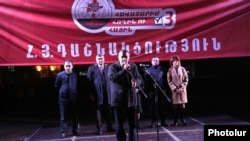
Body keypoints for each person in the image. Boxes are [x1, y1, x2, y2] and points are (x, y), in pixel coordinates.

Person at [108, 49, 144, 141]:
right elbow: (113, 78)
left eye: (126, 57)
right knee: (119, 125)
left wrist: (137, 83)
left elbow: (139, 79)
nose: (124, 58)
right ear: (118, 57)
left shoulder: (133, 66)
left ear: (129, 58)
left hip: (131, 100)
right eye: (122, 57)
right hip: (118, 101)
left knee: (132, 125)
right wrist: (124, 70)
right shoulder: (113, 67)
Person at [87, 54, 115, 135]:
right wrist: (90, 94)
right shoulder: (91, 68)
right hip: (97, 93)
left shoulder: (108, 68)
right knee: (98, 112)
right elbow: (88, 82)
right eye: (99, 59)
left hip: (108, 93)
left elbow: (112, 79)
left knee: (108, 111)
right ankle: (99, 128)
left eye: (102, 58)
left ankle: (109, 126)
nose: (100, 60)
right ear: (96, 60)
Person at [54, 59, 80, 138]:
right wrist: (62, 92)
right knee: (63, 117)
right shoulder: (60, 75)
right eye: (66, 66)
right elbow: (56, 86)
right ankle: (63, 132)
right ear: (64, 66)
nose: (68, 67)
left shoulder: (75, 75)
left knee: (75, 116)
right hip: (63, 100)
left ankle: (75, 131)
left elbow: (77, 85)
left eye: (69, 66)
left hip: (73, 99)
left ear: (72, 66)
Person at [144, 56, 169, 127]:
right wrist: (149, 91)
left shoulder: (163, 69)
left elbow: (165, 80)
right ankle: (153, 122)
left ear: (159, 61)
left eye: (157, 60)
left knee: (162, 107)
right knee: (153, 107)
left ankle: (163, 121)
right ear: (151, 62)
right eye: (154, 60)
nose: (155, 61)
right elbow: (146, 82)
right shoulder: (148, 70)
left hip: (161, 91)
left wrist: (165, 89)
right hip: (152, 92)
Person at [167, 55, 189, 126]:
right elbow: (169, 81)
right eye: (173, 61)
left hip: (182, 91)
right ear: (171, 62)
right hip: (175, 91)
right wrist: (175, 88)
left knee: (182, 106)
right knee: (175, 107)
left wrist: (182, 87)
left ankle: (183, 120)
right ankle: (175, 121)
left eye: (176, 61)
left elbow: (186, 79)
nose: (175, 62)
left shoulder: (182, 69)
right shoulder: (170, 70)